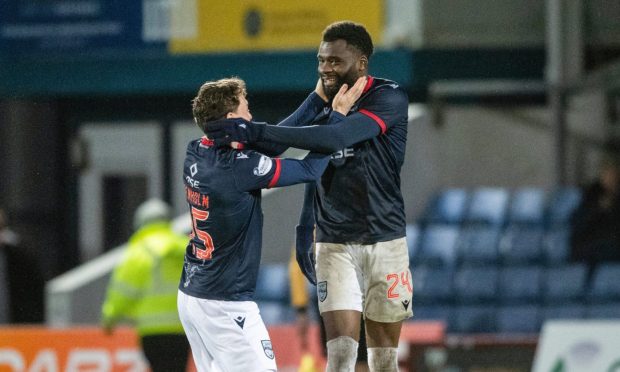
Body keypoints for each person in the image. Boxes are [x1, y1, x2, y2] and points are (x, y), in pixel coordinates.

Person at [206, 21, 413, 372]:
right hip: (334, 242)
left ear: (361, 63)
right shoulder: (325, 101)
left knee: (383, 360)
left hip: (385, 240)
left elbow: (333, 140)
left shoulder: (388, 97)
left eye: (335, 61)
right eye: (321, 61)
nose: (325, 69)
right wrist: (305, 227)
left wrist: (253, 128)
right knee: (341, 356)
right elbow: (286, 151)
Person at [177, 76, 365, 372]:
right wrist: (337, 117)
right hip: (225, 305)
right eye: (246, 108)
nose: (251, 116)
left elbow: (271, 143)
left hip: (192, 296)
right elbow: (309, 167)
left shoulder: (196, 150)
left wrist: (316, 100)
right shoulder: (239, 167)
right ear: (231, 119)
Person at [101, 199, 190, 372]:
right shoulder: (184, 247)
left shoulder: (137, 253)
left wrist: (109, 317)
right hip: (182, 329)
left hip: (152, 331)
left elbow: (122, 292)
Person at [289, 248, 369, 372]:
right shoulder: (315, 230)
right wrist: (301, 309)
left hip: (357, 292)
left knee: (361, 357)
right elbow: (299, 261)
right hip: (330, 297)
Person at [570, 154, 620, 276]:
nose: (610, 177)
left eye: (613, 174)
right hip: (592, 247)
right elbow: (578, 222)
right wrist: (599, 209)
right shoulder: (590, 195)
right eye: (607, 173)